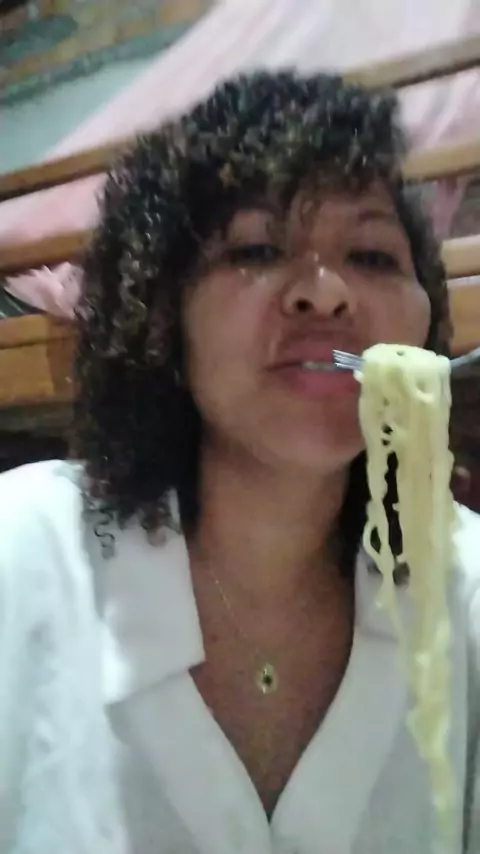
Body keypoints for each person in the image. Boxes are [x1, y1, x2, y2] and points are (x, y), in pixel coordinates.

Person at [0, 70, 479, 854]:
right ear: (165, 315)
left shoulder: (460, 578)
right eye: (257, 248)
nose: (324, 294)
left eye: (372, 254)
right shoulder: (22, 551)